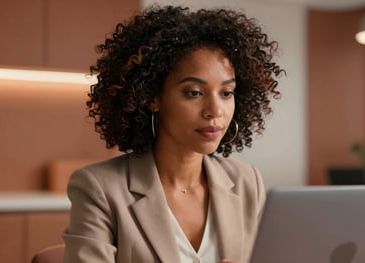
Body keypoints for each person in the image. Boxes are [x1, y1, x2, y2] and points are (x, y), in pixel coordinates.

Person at [63, 5, 284, 263]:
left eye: (226, 93)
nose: (215, 111)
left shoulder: (247, 182)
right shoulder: (99, 188)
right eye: (194, 93)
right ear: (153, 97)